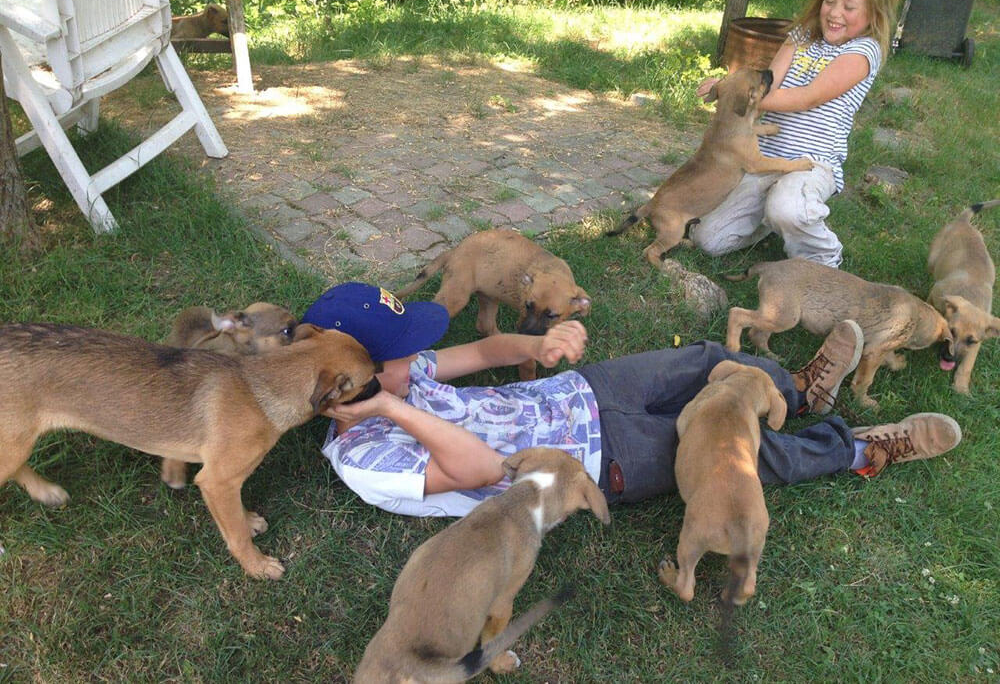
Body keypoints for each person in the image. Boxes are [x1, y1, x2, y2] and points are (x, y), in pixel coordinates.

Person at [302, 283, 961, 517]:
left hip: (582, 391)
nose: (415, 360)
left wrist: (541, 342)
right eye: (397, 356)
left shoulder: (397, 372)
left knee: (706, 359)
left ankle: (795, 389)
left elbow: (478, 354)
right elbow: (477, 469)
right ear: (349, 385)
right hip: (592, 463)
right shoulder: (366, 457)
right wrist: (390, 409)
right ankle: (858, 451)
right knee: (736, 456)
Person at [690, 0, 899, 267]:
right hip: (765, 159)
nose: (835, 13)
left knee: (787, 209)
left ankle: (824, 257)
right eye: (830, 1)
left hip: (811, 164)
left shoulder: (864, 51)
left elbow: (808, 97)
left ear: (874, 15)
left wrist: (735, 95)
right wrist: (732, 90)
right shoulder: (802, 35)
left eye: (849, 7)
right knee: (707, 239)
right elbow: (769, 84)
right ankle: (773, 219)